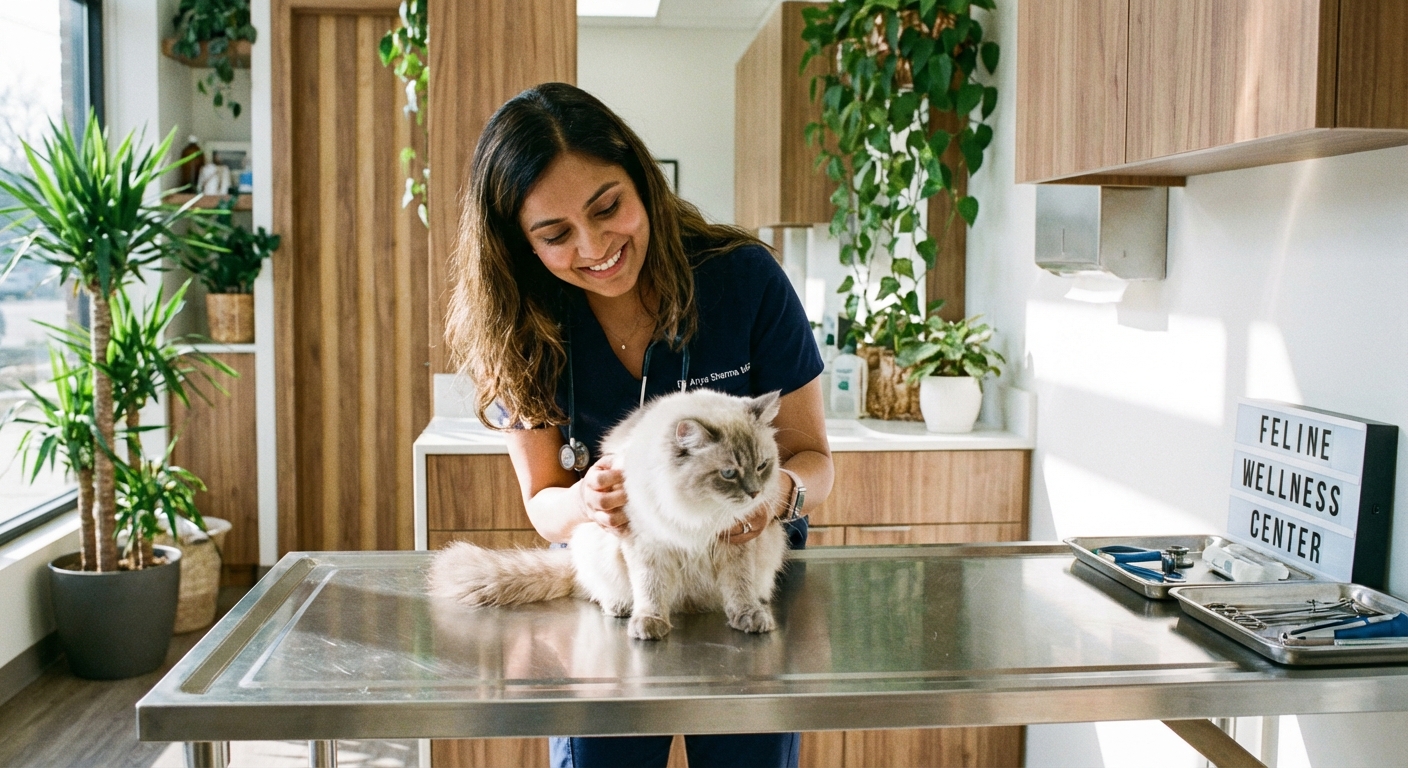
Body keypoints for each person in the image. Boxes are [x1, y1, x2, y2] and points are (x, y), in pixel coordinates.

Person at [445, 82, 834, 768]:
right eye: (556, 235)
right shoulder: (520, 330)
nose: (595, 247)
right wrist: (586, 501)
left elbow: (813, 456)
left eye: (608, 207)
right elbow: (545, 503)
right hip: (626, 593)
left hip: (738, 582)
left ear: (640, 180)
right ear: (519, 244)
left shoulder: (743, 280)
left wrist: (779, 497)